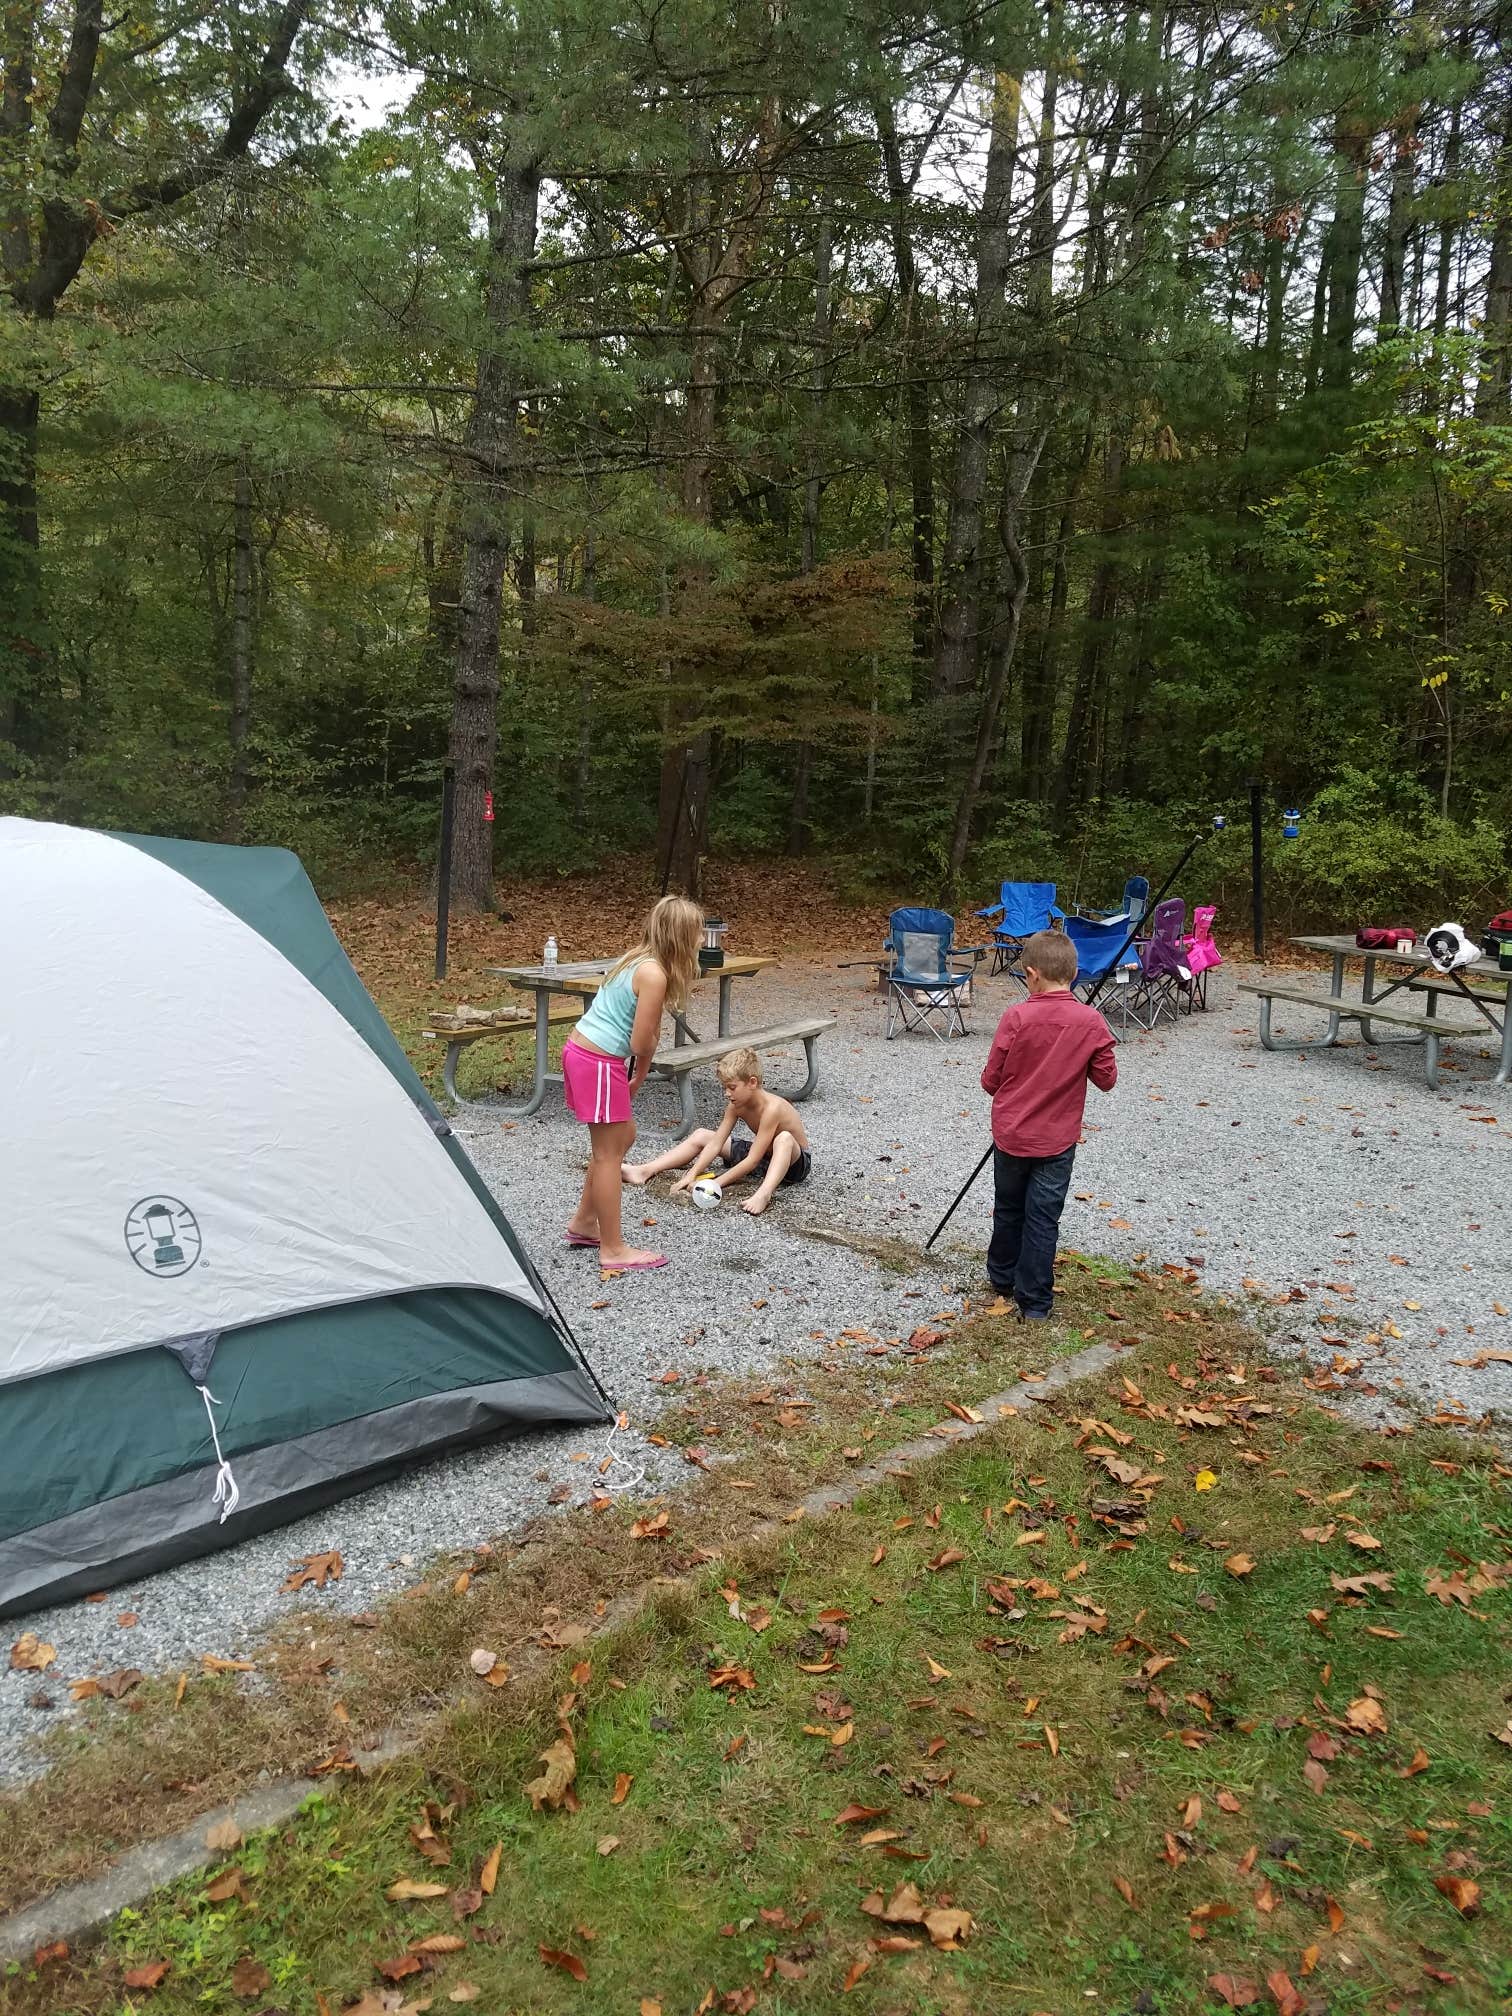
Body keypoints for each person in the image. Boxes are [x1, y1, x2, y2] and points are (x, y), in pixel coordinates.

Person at [980, 929, 1116, 1320]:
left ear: (1031, 974)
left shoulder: (1017, 1017)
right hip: (1057, 1139)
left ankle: (1002, 1276)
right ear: (1073, 974)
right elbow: (1106, 1079)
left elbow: (991, 1080)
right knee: (1043, 1218)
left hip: (1012, 1134)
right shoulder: (1091, 1022)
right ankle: (1035, 1303)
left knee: (1009, 1207)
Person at [562, 894, 704, 1269]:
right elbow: (642, 1041)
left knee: (622, 1137)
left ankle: (584, 1222)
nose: (702, 939)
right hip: (597, 1062)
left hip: (585, 1054)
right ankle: (613, 1249)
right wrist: (642, 1065)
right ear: (680, 936)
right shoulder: (654, 974)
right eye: (697, 932)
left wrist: (639, 1072)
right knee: (609, 1153)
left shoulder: (636, 960)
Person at [623, 1046, 811, 1217]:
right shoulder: (735, 1105)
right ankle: (644, 1171)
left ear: (752, 1082)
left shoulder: (772, 1108)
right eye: (725, 1087)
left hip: (792, 1163)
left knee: (784, 1138)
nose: (726, 1093)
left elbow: (752, 1160)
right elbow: (715, 1144)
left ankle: (764, 1194)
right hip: (763, 1156)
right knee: (702, 1135)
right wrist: (692, 1173)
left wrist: (715, 1184)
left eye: (732, 1087)